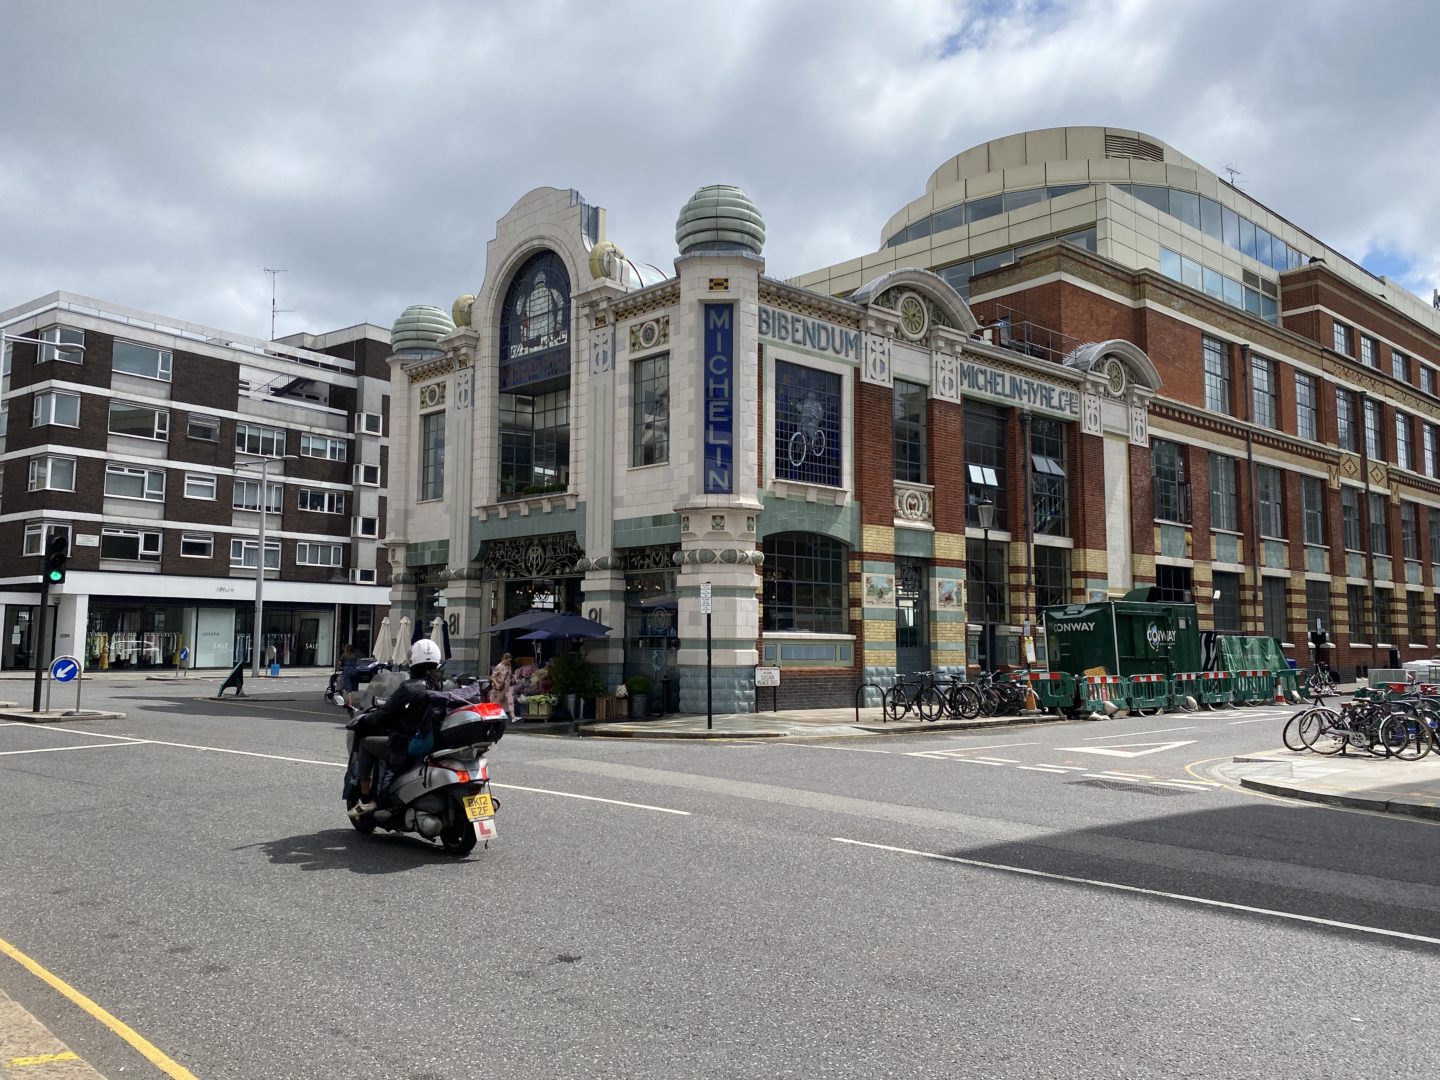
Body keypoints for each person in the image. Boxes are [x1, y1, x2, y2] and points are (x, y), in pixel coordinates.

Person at [349, 638, 446, 819]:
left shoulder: (409, 687)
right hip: (436, 740)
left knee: (365, 743)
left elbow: (386, 713)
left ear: (413, 662)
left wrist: (365, 719)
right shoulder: (441, 685)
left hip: (409, 742)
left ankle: (365, 795)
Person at [490, 651, 515, 719]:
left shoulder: (509, 666)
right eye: (507, 660)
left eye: (510, 660)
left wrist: (512, 678)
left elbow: (509, 675)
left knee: (505, 704)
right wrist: (497, 684)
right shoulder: (499, 666)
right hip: (499, 688)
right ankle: (495, 717)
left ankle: (503, 718)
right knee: (496, 703)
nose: (508, 662)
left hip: (506, 688)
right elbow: (492, 677)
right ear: (504, 659)